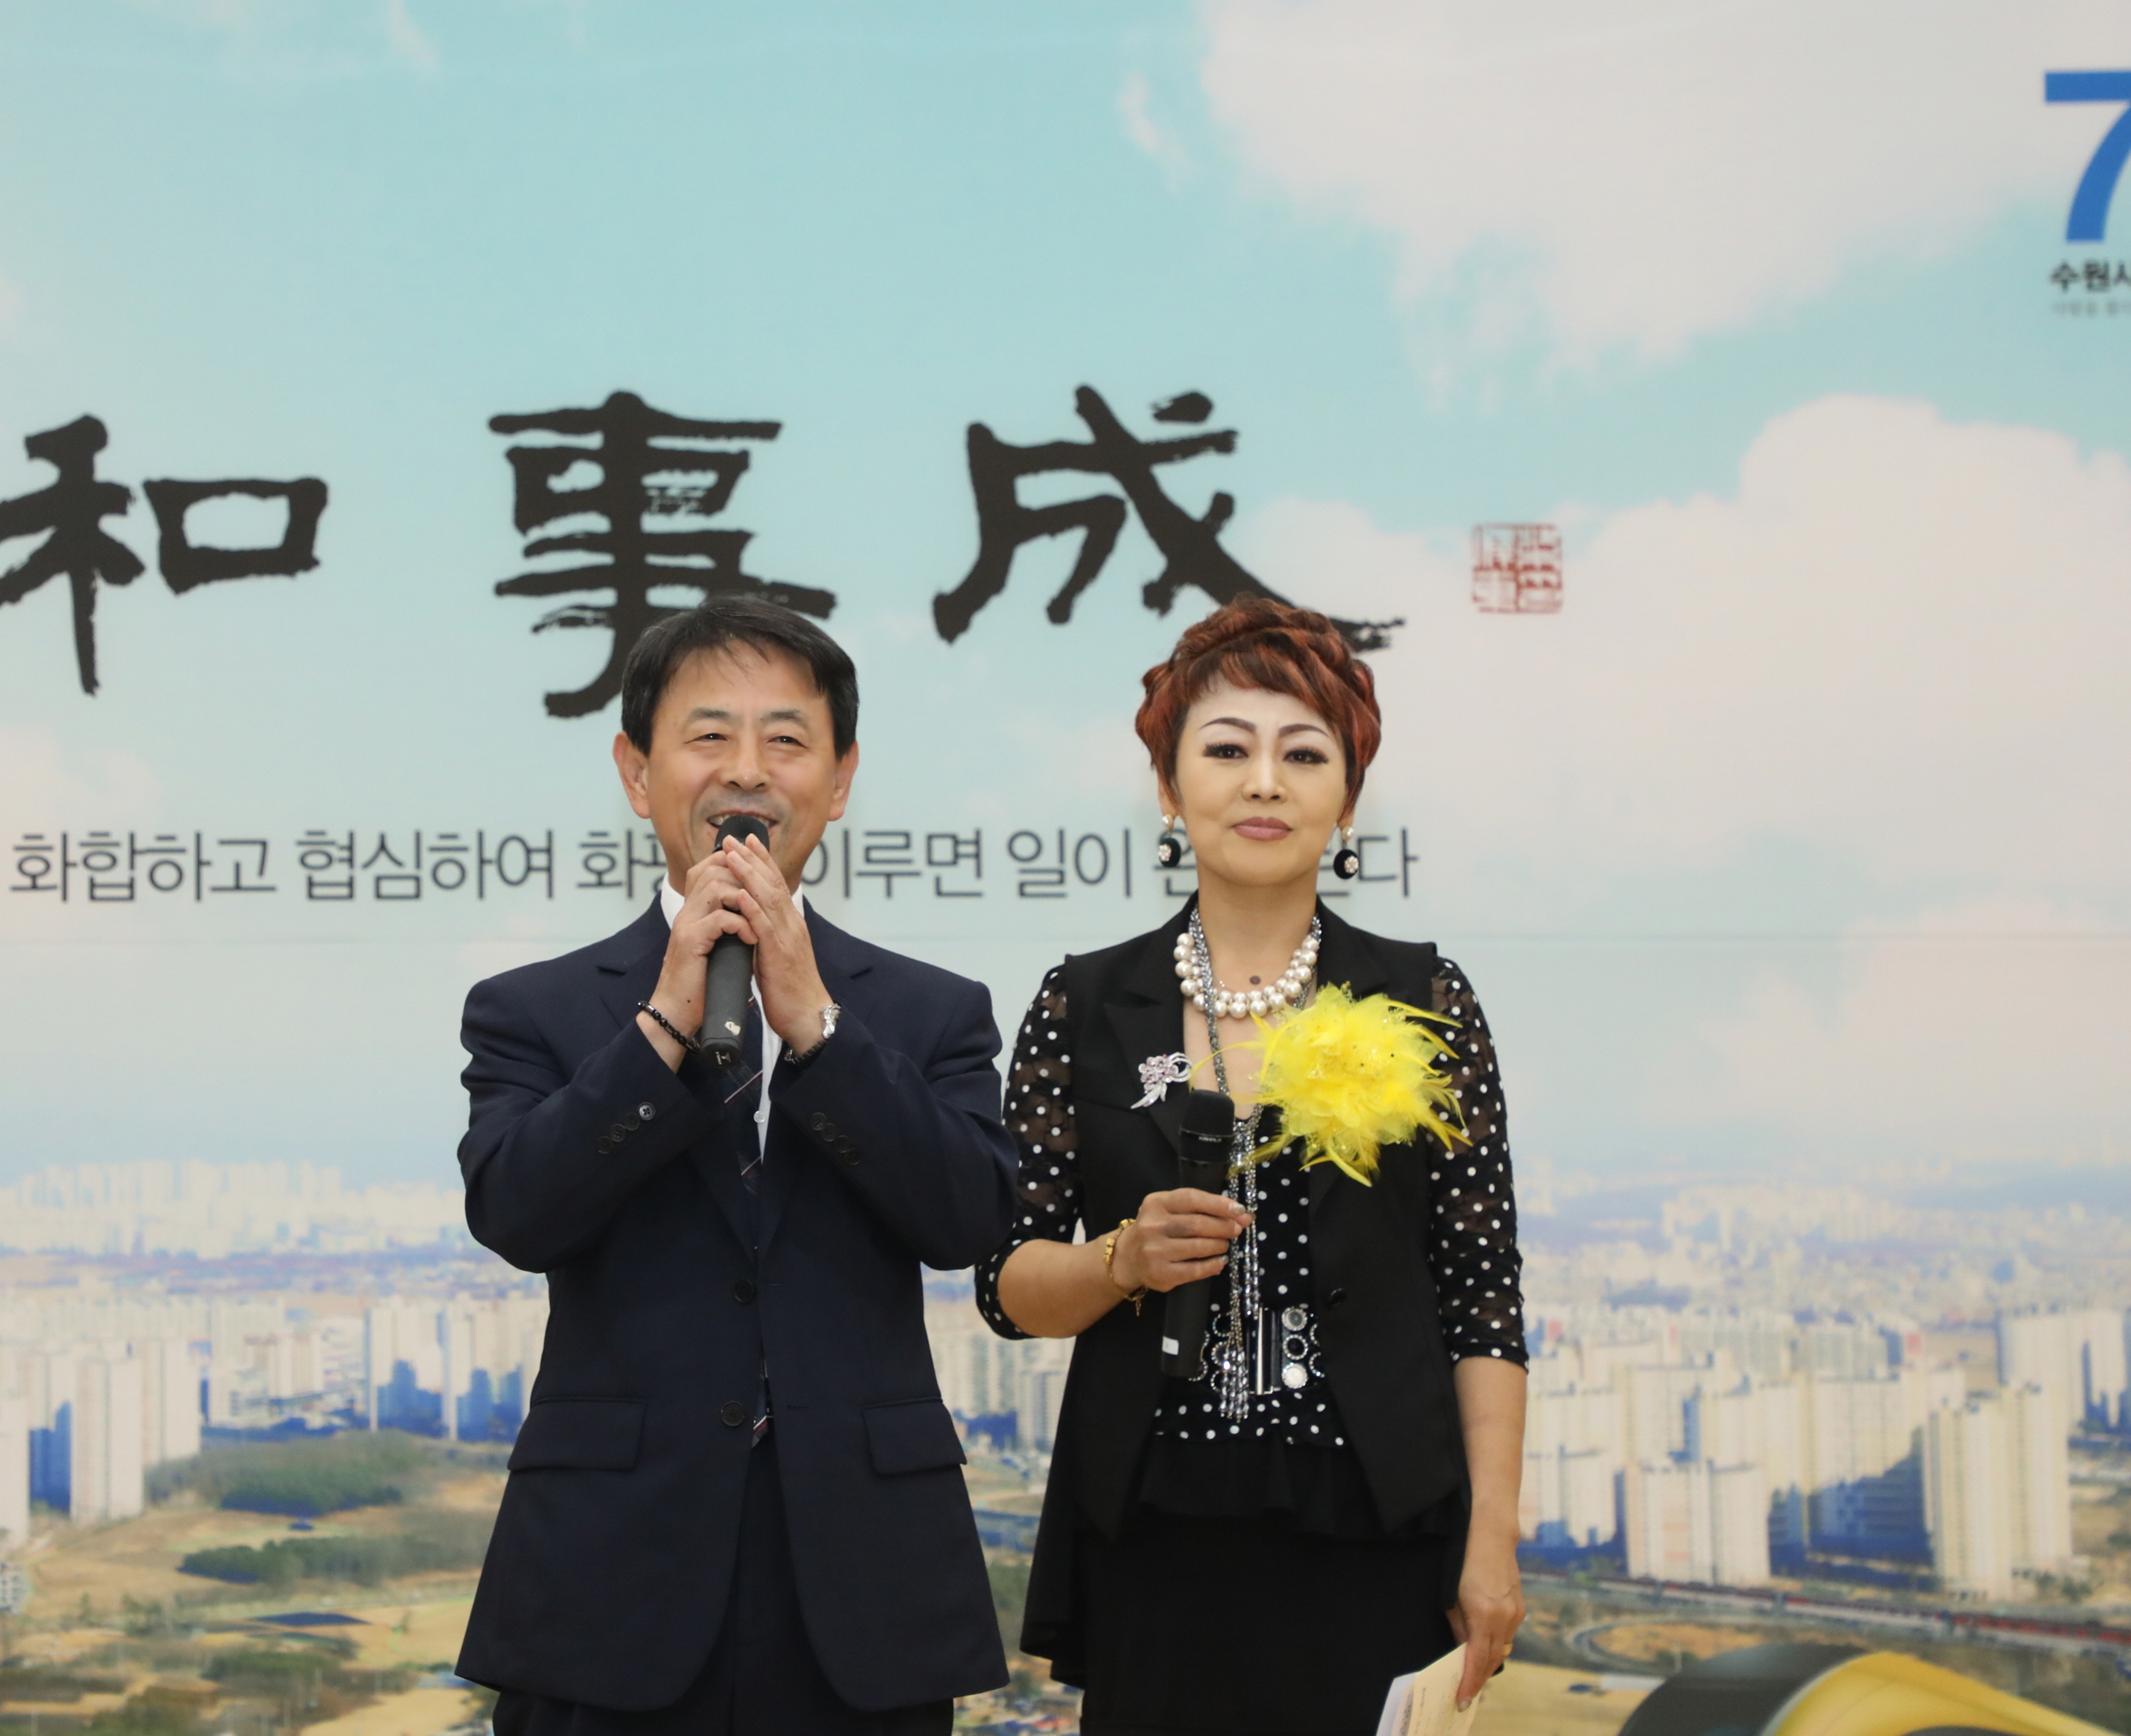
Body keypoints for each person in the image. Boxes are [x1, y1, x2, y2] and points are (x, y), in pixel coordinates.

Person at [455, 599, 1016, 1735]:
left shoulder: (930, 1012)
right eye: (708, 735)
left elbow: (968, 1219)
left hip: (863, 1588)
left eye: (786, 739)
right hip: (607, 1582)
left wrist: (817, 1026)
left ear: (840, 779)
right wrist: (664, 1024)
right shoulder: (534, 1010)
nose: (747, 770)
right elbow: (517, 1212)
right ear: (636, 771)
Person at [975, 594, 1528, 1736]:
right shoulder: (1084, 1002)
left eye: (1303, 754)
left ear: (1349, 798)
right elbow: (1006, 1285)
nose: (1264, 783)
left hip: (1379, 1528)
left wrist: (1491, 1538)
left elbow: (1479, 1297)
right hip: (1154, 1532)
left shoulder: (1423, 998)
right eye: (1226, 750)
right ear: (1169, 788)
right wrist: (1122, 1260)